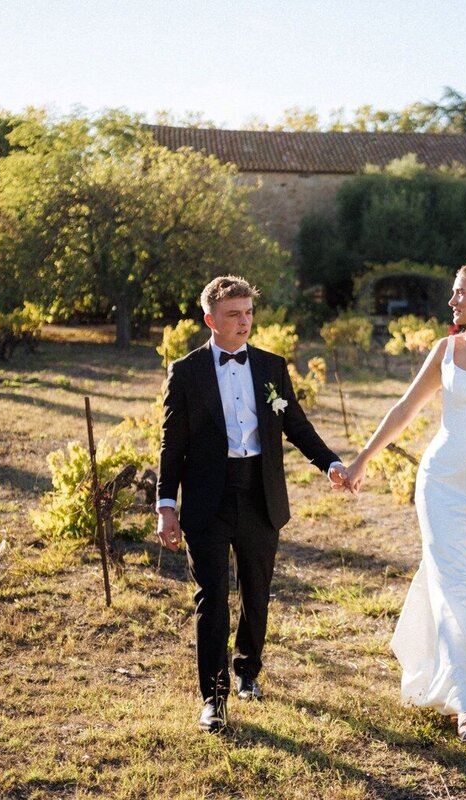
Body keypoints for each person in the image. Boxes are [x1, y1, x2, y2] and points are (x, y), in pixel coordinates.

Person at [345, 262, 466, 743]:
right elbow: (405, 409)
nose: (451, 302)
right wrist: (363, 458)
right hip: (442, 484)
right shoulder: (445, 350)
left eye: (459, 293)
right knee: (452, 585)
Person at [156, 275, 348, 733]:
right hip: (207, 498)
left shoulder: (271, 366)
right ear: (210, 320)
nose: (244, 323)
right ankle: (213, 698)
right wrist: (166, 504)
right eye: (233, 315)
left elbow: (296, 426)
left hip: (261, 494)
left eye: (248, 313)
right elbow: (171, 443)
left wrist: (331, 464)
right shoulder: (186, 372)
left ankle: (247, 672)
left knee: (256, 594)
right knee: (212, 600)